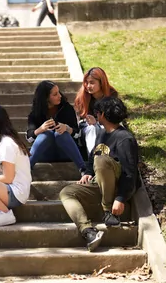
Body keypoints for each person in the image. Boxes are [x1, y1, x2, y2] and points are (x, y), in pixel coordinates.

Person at [60, 97, 140, 252]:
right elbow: (91, 159)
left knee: (102, 160)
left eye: (97, 113)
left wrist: (120, 198)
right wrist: (88, 173)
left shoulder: (125, 138)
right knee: (67, 192)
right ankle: (88, 231)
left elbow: (130, 172)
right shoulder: (102, 134)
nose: (96, 116)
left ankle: (108, 211)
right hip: (100, 184)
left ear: (102, 114)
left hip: (117, 189)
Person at [26, 80, 86, 173]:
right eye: (55, 94)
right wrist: (41, 129)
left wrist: (67, 128)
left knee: (60, 134)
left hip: (66, 152)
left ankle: (83, 169)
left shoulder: (66, 108)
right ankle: (26, 169)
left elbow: (78, 134)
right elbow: (29, 138)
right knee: (46, 134)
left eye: (59, 92)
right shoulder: (36, 113)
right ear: (46, 98)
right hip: (45, 154)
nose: (60, 96)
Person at [74, 67, 118, 155]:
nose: (88, 86)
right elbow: (80, 121)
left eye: (92, 83)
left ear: (101, 83)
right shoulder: (82, 97)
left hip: (106, 125)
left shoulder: (112, 95)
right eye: (86, 82)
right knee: (92, 129)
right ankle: (93, 158)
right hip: (87, 128)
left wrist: (97, 122)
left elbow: (115, 119)